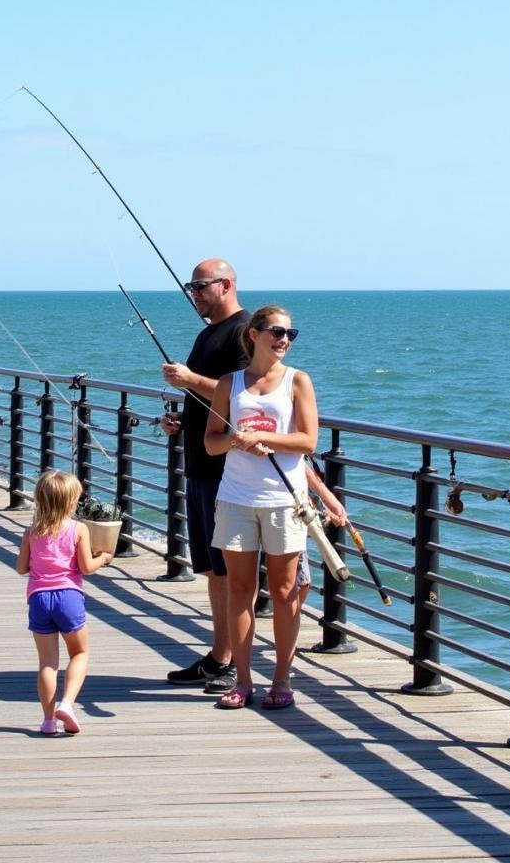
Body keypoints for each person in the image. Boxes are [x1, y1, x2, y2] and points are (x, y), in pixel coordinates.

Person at [204, 304, 344, 711]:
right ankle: (243, 680)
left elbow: (308, 441)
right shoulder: (230, 384)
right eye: (276, 332)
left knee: (284, 592)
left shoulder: (297, 381)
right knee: (239, 590)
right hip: (236, 498)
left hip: (284, 501)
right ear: (254, 334)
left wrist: (266, 441)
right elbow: (210, 442)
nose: (284, 339)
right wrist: (235, 440)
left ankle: (282, 678)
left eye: (290, 334)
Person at [159, 259, 251, 695]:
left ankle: (234, 663)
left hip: (227, 471)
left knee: (232, 571)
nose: (192, 293)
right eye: (190, 286)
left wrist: (190, 379)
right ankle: (218, 655)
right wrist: (182, 419)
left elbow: (246, 394)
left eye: (198, 286)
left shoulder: (244, 331)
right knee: (213, 570)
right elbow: (209, 396)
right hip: (198, 462)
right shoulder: (206, 333)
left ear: (226, 284)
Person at [16, 470, 114, 735]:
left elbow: (21, 568)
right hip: (69, 597)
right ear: (71, 503)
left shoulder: (31, 531)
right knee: (80, 653)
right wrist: (104, 557)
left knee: (47, 662)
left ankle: (48, 721)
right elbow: (86, 567)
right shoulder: (78, 529)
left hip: (38, 598)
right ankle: (68, 703)